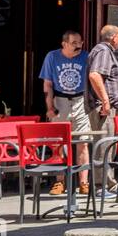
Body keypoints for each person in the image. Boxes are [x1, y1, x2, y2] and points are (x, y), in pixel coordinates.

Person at [41, 30, 91, 196]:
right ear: (64, 44)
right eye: (74, 43)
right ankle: (59, 181)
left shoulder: (86, 57)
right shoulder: (52, 57)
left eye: (80, 42)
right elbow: (47, 84)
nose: (78, 46)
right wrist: (49, 107)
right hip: (60, 100)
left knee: (83, 141)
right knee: (58, 143)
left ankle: (84, 182)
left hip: (80, 101)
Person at [86, 24, 118, 189]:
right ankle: (103, 185)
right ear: (114, 37)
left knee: (105, 145)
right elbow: (95, 75)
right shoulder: (104, 51)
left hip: (105, 107)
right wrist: (106, 101)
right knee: (104, 145)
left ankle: (105, 184)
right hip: (104, 108)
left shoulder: (102, 51)